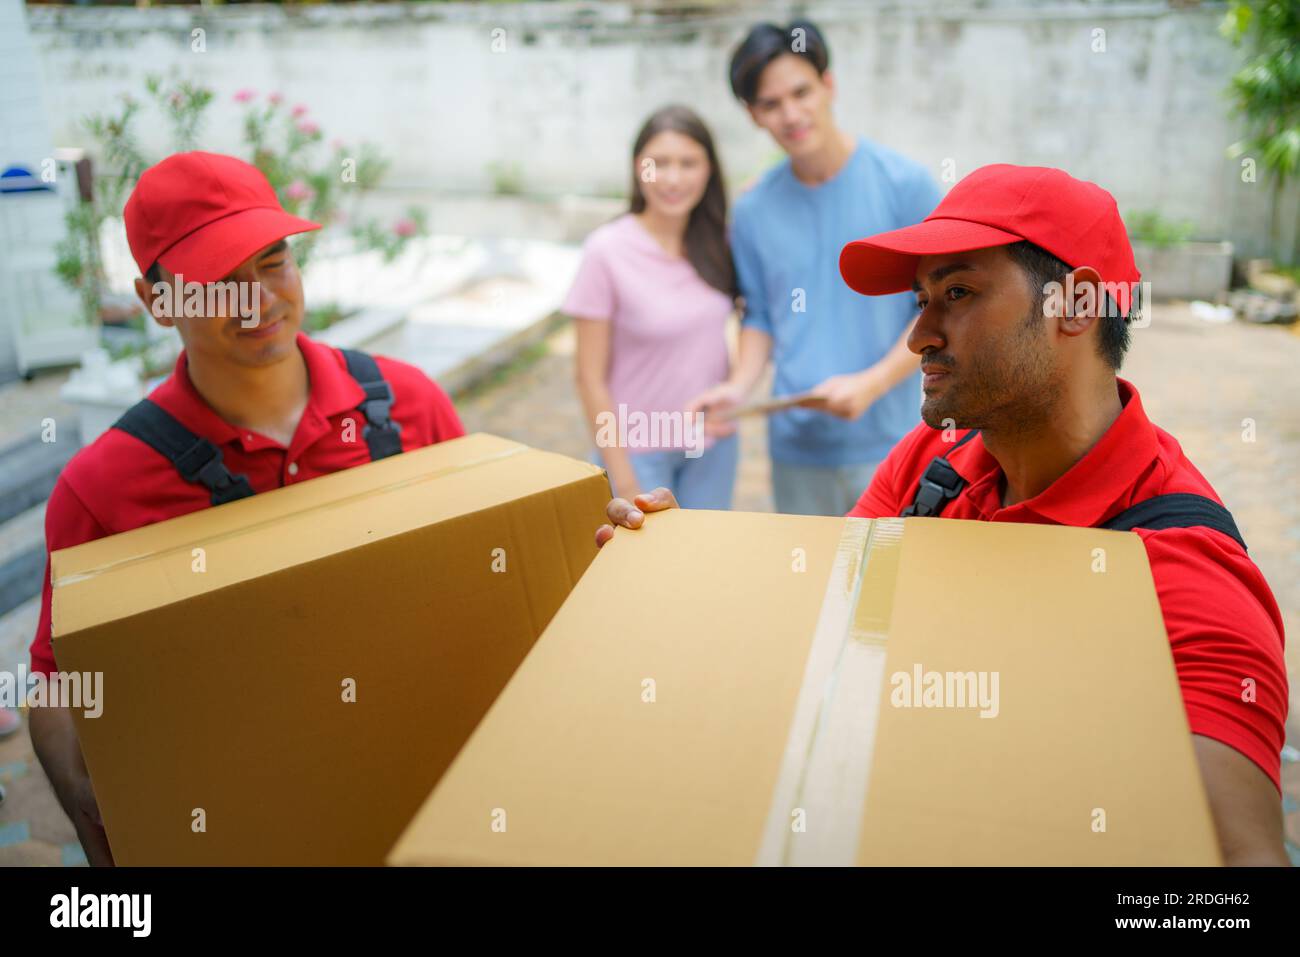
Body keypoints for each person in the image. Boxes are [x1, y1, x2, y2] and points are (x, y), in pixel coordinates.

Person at [597, 164, 1289, 866]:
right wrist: (681, 560)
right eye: (922, 298)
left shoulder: (1185, 577)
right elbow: (822, 612)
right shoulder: (934, 461)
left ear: (1076, 303)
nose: (918, 335)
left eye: (957, 292)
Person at [28, 151, 464, 866]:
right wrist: (99, 806)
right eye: (217, 283)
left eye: (272, 262)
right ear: (156, 301)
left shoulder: (408, 404)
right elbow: (57, 677)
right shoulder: (102, 485)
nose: (258, 300)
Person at [686, 19, 942, 516]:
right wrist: (737, 389)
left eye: (801, 91)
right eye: (770, 104)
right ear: (752, 114)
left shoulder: (905, 185)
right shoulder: (755, 210)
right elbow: (758, 317)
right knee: (813, 586)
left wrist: (872, 382)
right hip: (797, 449)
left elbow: (938, 310)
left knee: (894, 586)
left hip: (895, 441)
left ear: (829, 85)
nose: (791, 114)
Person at [568, 105, 739, 508]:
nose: (673, 179)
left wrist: (735, 391)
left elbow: (756, 321)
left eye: (689, 163)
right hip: (638, 453)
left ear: (709, 169)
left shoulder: (722, 244)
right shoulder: (605, 251)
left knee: (706, 566)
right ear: (637, 169)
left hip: (711, 447)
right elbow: (588, 378)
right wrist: (623, 477)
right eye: (658, 164)